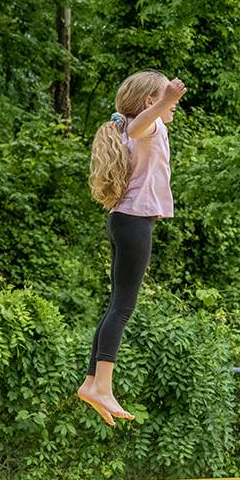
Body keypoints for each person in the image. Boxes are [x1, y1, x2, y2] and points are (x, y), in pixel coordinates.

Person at [78, 70, 187, 426]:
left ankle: (93, 381)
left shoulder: (126, 128)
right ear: (149, 102)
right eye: (164, 101)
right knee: (123, 307)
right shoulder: (148, 127)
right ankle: (102, 386)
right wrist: (167, 100)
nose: (174, 108)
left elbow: (136, 125)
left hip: (124, 221)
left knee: (116, 306)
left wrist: (164, 101)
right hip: (134, 222)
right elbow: (143, 125)